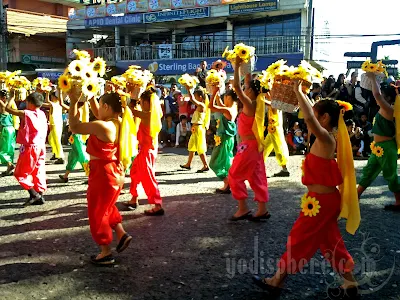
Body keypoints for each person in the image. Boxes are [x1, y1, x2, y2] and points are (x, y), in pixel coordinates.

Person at [253, 80, 360, 300]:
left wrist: (296, 92)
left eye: (314, 114)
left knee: (298, 238)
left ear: (325, 119)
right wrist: (303, 94)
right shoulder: (326, 137)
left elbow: (310, 117)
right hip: (322, 201)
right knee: (331, 243)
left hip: (320, 203)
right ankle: (350, 284)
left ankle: (276, 281)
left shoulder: (326, 139)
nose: (307, 118)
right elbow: (312, 114)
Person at [68, 89, 131, 265]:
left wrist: (74, 103)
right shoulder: (121, 122)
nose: (98, 111)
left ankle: (105, 252)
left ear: (106, 106)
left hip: (104, 174)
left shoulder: (103, 126)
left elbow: (75, 127)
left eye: (100, 105)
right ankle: (121, 233)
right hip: (115, 172)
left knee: (98, 212)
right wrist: (91, 96)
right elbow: (98, 113)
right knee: (107, 207)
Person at [228, 56, 269, 221]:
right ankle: (262, 209)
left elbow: (237, 86)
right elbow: (246, 83)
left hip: (248, 146)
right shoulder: (255, 102)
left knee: (234, 174)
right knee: (256, 176)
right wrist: (246, 66)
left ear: (250, 91)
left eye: (247, 88)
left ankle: (243, 208)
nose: (244, 89)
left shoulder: (249, 103)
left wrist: (237, 65)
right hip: (254, 145)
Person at [358, 75, 400, 210]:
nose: (380, 96)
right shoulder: (387, 108)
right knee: (369, 171)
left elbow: (376, 94)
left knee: (391, 175)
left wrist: (373, 79)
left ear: (388, 98)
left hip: (387, 148)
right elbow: (377, 94)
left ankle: (399, 202)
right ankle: (356, 196)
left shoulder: (389, 110)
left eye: (383, 95)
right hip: (378, 148)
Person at [0, 92, 48, 206]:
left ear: (30, 102)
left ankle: (34, 194)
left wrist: (11, 97)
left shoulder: (26, 113)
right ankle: (40, 194)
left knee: (20, 173)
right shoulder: (42, 113)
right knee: (38, 170)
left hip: (30, 147)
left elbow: (8, 109)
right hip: (41, 146)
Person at [124, 87, 165, 216]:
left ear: (147, 103)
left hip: (147, 151)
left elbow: (131, 111)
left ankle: (157, 205)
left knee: (148, 178)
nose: (140, 104)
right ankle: (133, 198)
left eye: (142, 102)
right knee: (135, 172)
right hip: (145, 150)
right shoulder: (153, 113)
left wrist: (130, 94)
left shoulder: (148, 115)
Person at [208, 86, 238, 193]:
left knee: (214, 163)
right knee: (226, 162)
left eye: (225, 98)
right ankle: (227, 184)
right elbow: (220, 104)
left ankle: (227, 181)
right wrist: (216, 93)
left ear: (229, 98)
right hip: (227, 139)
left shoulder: (228, 110)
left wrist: (214, 92)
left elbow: (210, 107)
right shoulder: (233, 107)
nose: (224, 100)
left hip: (224, 140)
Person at [58, 94, 90, 183]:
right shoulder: (81, 110)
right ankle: (65, 176)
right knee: (72, 157)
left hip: (77, 137)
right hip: (75, 137)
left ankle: (90, 176)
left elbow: (61, 103)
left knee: (82, 157)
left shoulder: (77, 111)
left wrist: (60, 92)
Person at [180, 86, 210, 173]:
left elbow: (192, 99)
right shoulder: (200, 105)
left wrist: (189, 89)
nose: (195, 98)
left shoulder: (201, 105)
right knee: (192, 146)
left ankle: (205, 165)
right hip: (195, 128)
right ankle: (188, 164)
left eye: (196, 96)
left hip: (198, 128)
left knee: (200, 147)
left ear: (200, 97)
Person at [263, 99, 290, 177]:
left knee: (279, 148)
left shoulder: (276, 104)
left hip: (275, 129)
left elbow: (273, 105)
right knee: (264, 148)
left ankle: (285, 169)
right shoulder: (274, 101)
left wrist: (261, 99)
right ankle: (258, 168)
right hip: (271, 129)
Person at [44, 91, 65, 165]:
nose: (51, 97)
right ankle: (56, 153)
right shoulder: (59, 104)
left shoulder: (54, 104)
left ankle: (60, 157)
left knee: (56, 140)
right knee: (52, 139)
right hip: (57, 123)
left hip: (55, 124)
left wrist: (47, 93)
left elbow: (46, 102)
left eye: (52, 96)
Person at [0, 90, 17, 176]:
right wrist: (12, 96)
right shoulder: (9, 104)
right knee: (9, 149)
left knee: (3, 150)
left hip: (5, 129)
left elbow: (4, 107)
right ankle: (9, 168)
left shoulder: (3, 106)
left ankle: (10, 165)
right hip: (11, 129)